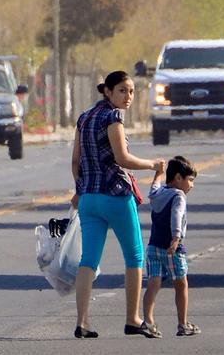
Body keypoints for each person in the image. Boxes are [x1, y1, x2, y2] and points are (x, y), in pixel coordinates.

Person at [70, 70, 165, 339]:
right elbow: (122, 158)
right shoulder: (112, 117)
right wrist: (153, 165)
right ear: (108, 92)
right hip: (115, 196)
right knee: (134, 257)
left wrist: (81, 188)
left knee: (88, 260)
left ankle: (82, 322)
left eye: (132, 91)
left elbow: (75, 163)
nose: (128, 96)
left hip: (89, 199)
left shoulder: (84, 117)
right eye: (122, 90)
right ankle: (133, 319)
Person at [142, 156, 200, 337]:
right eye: (190, 180)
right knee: (181, 283)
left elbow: (152, 191)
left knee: (153, 284)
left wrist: (158, 173)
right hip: (171, 248)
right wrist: (176, 237)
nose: (191, 185)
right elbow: (177, 214)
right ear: (177, 178)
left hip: (153, 247)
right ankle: (182, 324)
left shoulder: (158, 194)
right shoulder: (178, 195)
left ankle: (148, 322)